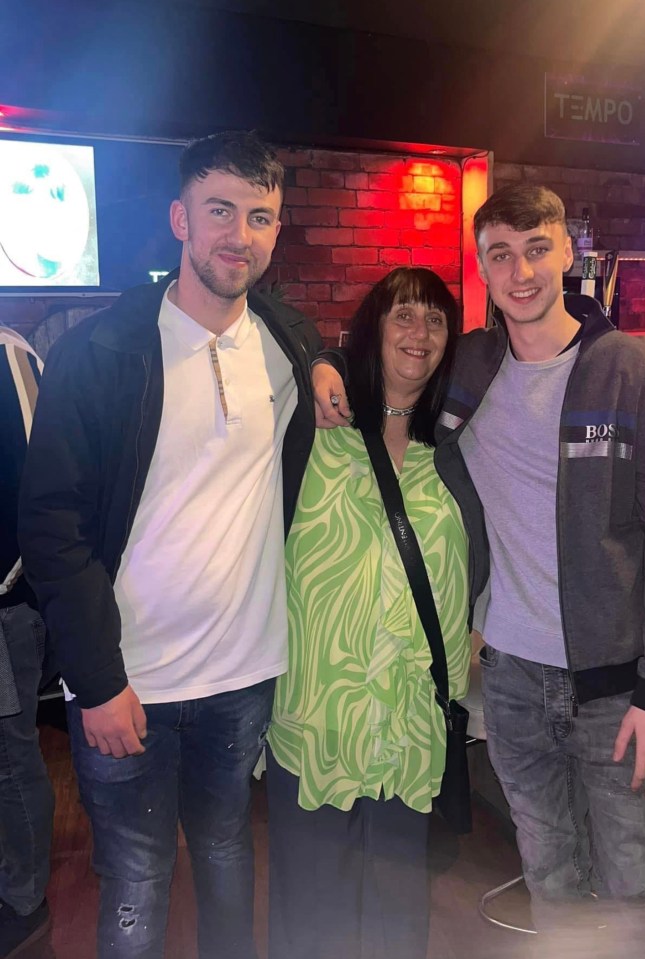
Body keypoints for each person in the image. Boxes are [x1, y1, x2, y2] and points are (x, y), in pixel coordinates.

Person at [313, 184, 645, 937]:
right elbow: (384, 354)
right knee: (551, 877)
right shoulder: (471, 363)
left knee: (634, 887)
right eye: (501, 255)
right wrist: (325, 365)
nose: (520, 271)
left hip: (619, 687)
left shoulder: (634, 370)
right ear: (483, 268)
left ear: (567, 251)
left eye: (535, 249)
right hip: (515, 681)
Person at [19, 130, 321, 959]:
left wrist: (324, 355)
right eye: (219, 210)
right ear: (179, 219)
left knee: (227, 851)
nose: (240, 235)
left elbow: (303, 329)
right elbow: (51, 527)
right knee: (137, 874)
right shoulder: (101, 353)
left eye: (261, 216)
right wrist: (96, 677)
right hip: (129, 679)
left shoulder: (285, 350)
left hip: (243, 675)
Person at [267, 268, 487, 959]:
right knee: (310, 911)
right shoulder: (312, 430)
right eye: (403, 315)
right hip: (318, 711)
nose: (419, 334)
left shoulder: (454, 449)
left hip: (410, 722)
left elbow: (481, 552)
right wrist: (324, 364)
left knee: (398, 915)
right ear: (372, 328)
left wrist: (476, 630)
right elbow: (269, 322)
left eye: (434, 320)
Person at [0, 327, 54, 958]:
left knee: (10, 760)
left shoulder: (8, 354)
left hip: (7, 604)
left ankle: (24, 901)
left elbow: (41, 486)